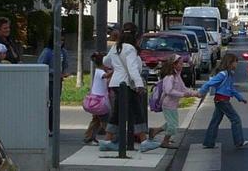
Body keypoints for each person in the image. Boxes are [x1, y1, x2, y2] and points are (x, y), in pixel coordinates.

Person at [100, 23, 159, 152]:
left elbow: (106, 61)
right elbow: (132, 69)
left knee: (116, 114)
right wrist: (139, 85)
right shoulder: (130, 49)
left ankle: (107, 140)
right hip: (126, 84)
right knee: (137, 111)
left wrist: (116, 65)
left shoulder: (116, 46)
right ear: (135, 36)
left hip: (115, 83)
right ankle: (143, 141)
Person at [198, 53, 248, 150]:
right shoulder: (223, 74)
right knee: (235, 119)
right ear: (230, 62)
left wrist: (240, 98)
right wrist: (201, 92)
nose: (236, 64)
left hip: (221, 100)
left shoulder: (230, 74)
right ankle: (239, 142)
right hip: (222, 100)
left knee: (215, 121)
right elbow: (209, 83)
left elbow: (231, 89)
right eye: (235, 62)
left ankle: (209, 142)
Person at [148, 55, 196, 149]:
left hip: (173, 104)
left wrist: (194, 93)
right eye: (180, 64)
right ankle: (165, 141)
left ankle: (155, 131)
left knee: (172, 122)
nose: (182, 65)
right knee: (173, 124)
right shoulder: (170, 77)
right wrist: (182, 95)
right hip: (168, 104)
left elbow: (183, 88)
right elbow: (168, 91)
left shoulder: (177, 76)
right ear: (174, 65)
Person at [38, 34, 69, 136]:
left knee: (55, 104)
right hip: (49, 81)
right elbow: (41, 65)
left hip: (58, 81)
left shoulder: (63, 52)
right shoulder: (48, 51)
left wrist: (64, 72)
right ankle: (48, 127)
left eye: (63, 40)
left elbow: (65, 64)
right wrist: (54, 72)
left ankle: (53, 127)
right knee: (49, 105)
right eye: (59, 40)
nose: (61, 42)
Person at [83, 52, 110, 145]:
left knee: (96, 120)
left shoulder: (98, 71)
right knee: (105, 119)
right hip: (99, 102)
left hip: (95, 100)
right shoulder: (100, 72)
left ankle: (89, 137)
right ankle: (111, 137)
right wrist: (115, 71)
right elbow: (106, 76)